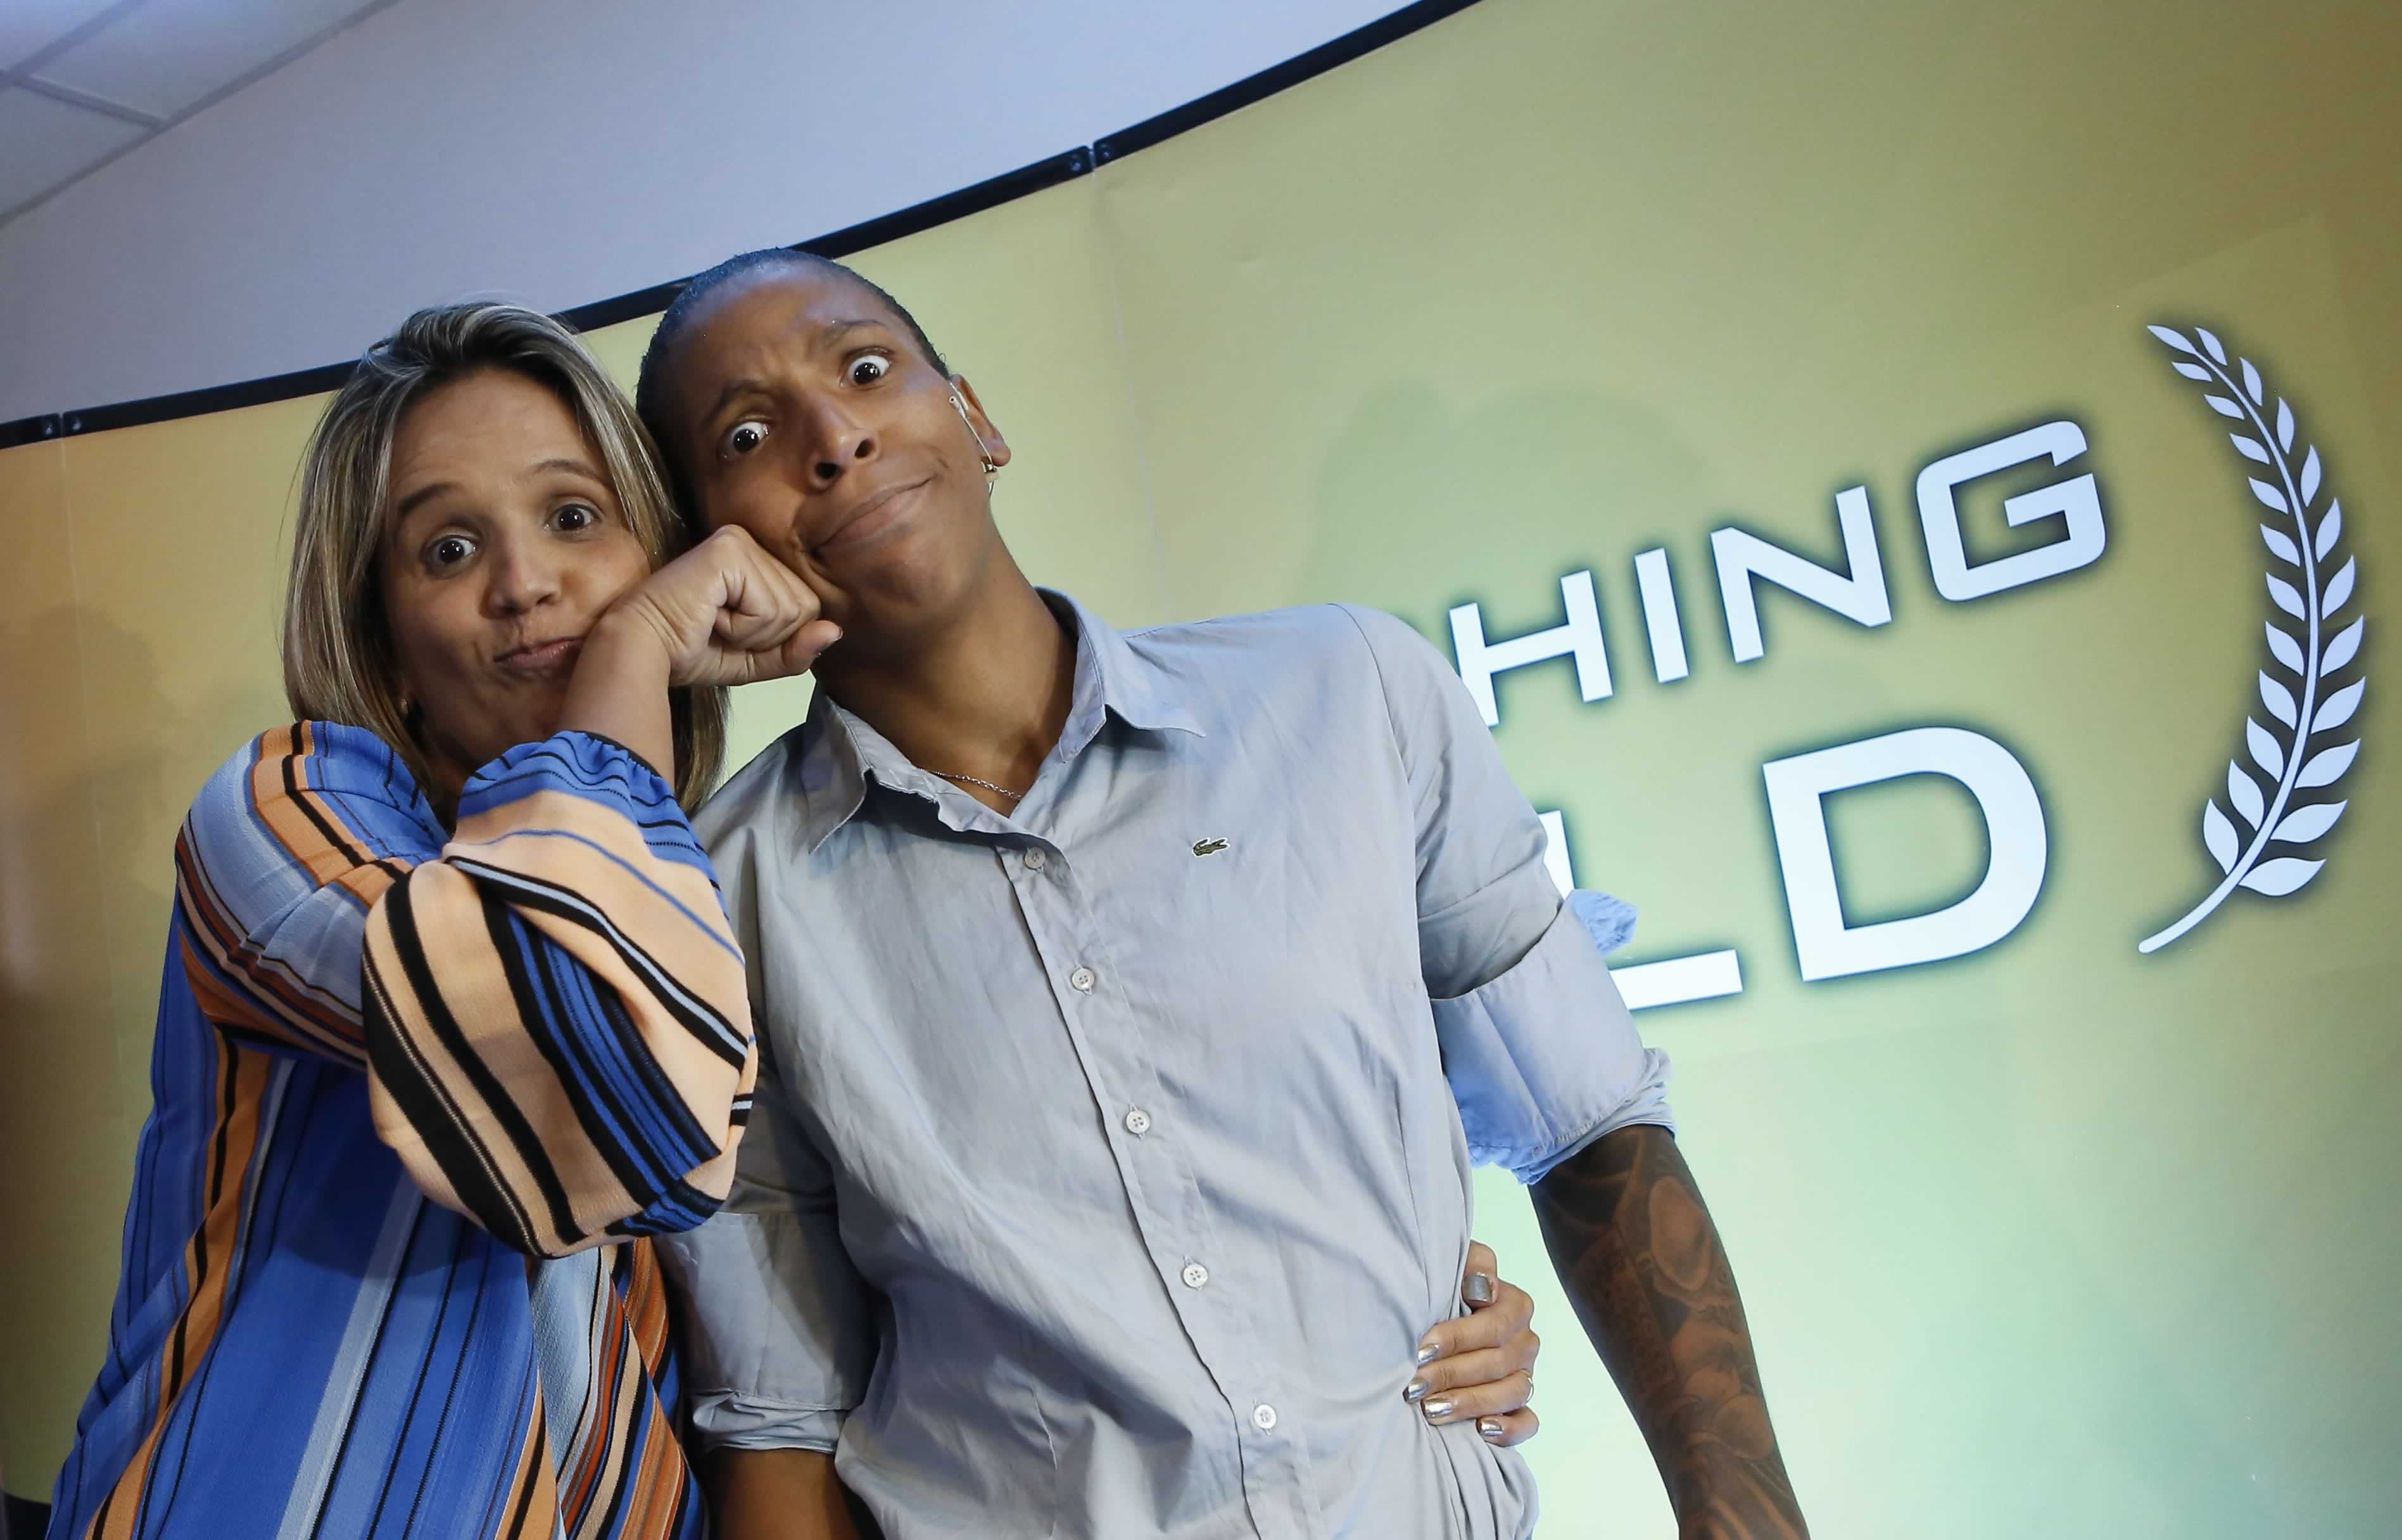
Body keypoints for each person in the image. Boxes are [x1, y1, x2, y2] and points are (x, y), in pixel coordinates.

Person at [48, 301, 1543, 1539]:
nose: (526, 584)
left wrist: (1379, 1302)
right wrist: (636, 651)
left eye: (574, 519)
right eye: (448, 549)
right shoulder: (292, 806)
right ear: (381, 635)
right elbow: (571, 1058)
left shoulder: (711, 893)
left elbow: (858, 1352)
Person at [633, 249, 1812, 1540]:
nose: (834, 437)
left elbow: (1591, 1127)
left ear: (975, 418)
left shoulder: (1347, 692)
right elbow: (782, 1420)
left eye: (866, 369)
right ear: (708, 548)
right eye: (747, 435)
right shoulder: (715, 904)